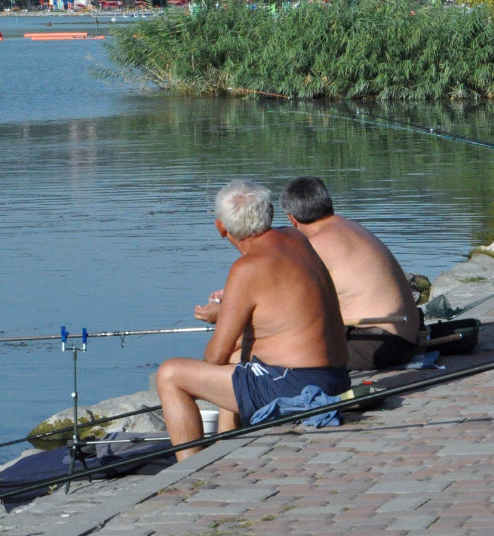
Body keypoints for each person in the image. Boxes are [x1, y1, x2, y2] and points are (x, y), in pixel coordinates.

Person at [155, 180, 350, 461]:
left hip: (295, 385)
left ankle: (187, 470)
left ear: (221, 227)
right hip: (336, 377)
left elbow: (214, 357)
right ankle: (227, 442)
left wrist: (220, 316)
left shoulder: (246, 268)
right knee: (239, 358)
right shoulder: (297, 240)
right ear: (270, 212)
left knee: (170, 374)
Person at [280, 176, 421, 370]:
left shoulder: (319, 244)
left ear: (291, 219)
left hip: (380, 345)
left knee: (279, 349)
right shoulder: (349, 227)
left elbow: (288, 303)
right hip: (404, 335)